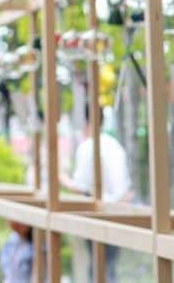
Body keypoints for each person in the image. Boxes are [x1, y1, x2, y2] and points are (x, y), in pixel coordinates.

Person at [63, 108, 132, 279]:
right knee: (109, 265)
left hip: (98, 213)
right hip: (119, 211)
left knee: (97, 266)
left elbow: (80, 186)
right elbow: (124, 186)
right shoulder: (114, 144)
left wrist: (61, 178)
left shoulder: (87, 147)